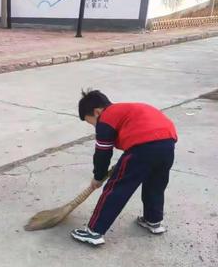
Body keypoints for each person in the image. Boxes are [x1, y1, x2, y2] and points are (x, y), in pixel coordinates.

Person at [71, 90, 178, 246]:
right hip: (167, 143)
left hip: (142, 147)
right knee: (155, 184)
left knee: (117, 188)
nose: (95, 126)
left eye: (91, 122)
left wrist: (98, 176)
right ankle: (153, 221)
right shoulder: (126, 109)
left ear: (97, 111)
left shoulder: (106, 118)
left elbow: (102, 153)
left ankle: (94, 232)